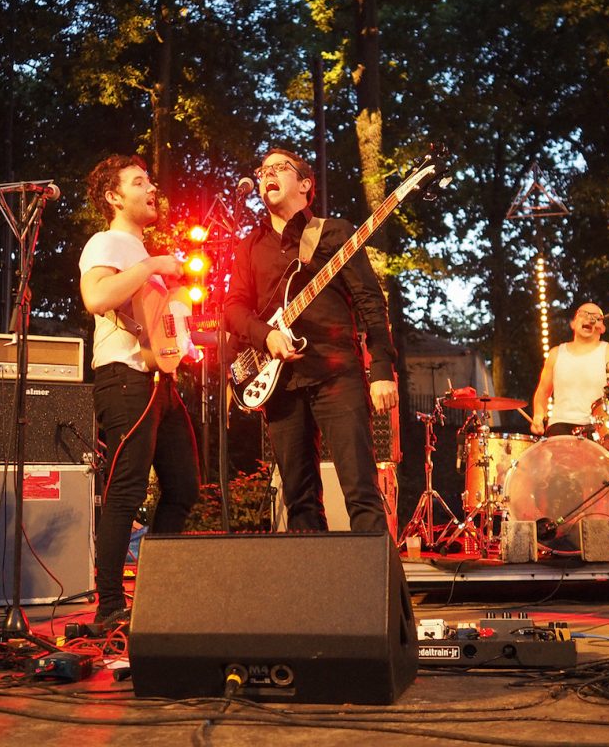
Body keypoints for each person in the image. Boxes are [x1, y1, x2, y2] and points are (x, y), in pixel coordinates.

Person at [225, 148, 398, 533]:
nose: (268, 174)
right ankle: (314, 574)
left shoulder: (334, 232)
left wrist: (382, 367)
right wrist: (267, 335)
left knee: (361, 492)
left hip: (336, 375)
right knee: (299, 501)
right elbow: (233, 309)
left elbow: (370, 300)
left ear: (305, 185)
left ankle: (376, 575)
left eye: (279, 168)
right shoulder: (249, 246)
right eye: (263, 170)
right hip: (280, 384)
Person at [79, 154, 201, 628]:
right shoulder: (106, 242)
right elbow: (97, 298)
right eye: (137, 182)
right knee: (126, 491)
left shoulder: (142, 255)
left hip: (157, 382)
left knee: (184, 486)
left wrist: (186, 344)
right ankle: (109, 606)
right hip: (124, 379)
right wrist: (152, 263)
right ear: (114, 197)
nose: (151, 189)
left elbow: (159, 328)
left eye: (149, 181)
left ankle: (153, 593)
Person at [530, 303, 609, 438]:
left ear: (602, 328)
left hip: (598, 427)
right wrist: (538, 417)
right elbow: (542, 392)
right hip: (560, 425)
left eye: (596, 318)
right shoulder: (556, 353)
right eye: (583, 314)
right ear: (573, 323)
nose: (590, 319)